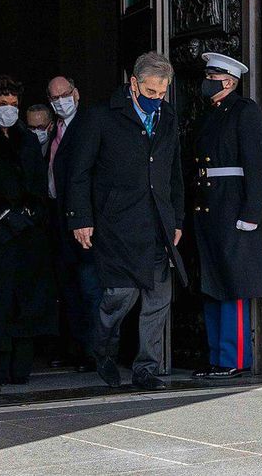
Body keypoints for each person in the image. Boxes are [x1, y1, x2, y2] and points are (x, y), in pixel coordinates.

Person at [67, 52, 186, 391]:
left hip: (159, 225)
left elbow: (174, 171)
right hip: (117, 224)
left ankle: (146, 368)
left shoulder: (168, 117)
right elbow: (79, 172)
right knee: (120, 295)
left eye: (162, 93)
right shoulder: (101, 117)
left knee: (157, 299)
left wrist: (176, 218)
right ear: (133, 84)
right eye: (150, 93)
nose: (156, 99)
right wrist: (81, 218)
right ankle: (103, 348)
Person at [189, 52, 262, 379]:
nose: (206, 82)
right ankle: (216, 356)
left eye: (212, 77)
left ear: (228, 81)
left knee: (233, 284)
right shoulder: (209, 113)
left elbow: (259, 164)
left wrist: (252, 212)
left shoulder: (244, 111)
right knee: (213, 283)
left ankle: (234, 356)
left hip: (232, 207)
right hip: (209, 208)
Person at [0, 76, 58, 385]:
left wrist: (30, 212)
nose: (8, 110)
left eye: (12, 104)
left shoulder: (26, 138)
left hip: (29, 234)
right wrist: (4, 214)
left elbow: (37, 181)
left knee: (29, 300)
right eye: (1, 104)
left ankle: (21, 368)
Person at [46, 75, 98, 372]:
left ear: (76, 93)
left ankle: (93, 352)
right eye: (54, 97)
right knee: (66, 290)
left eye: (64, 94)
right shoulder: (54, 129)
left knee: (89, 288)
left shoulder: (88, 125)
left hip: (83, 223)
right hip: (59, 222)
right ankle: (73, 348)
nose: (60, 101)